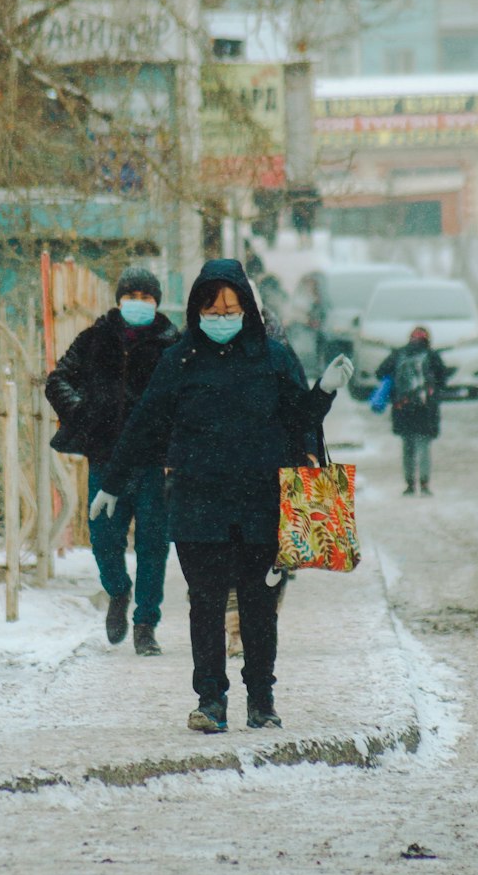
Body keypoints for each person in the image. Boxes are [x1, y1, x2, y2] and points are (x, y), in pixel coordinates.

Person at [89, 259, 353, 733]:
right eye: (212, 307)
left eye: (231, 307)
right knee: (205, 603)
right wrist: (113, 480)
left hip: (260, 503)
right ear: (197, 309)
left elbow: (299, 420)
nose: (222, 315)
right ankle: (210, 700)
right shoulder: (179, 361)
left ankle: (262, 699)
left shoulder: (274, 358)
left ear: (247, 309)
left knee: (257, 603)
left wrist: (324, 392)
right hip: (197, 502)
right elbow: (146, 423)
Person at [45, 266, 179, 655]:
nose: (138, 303)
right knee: (104, 537)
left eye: (146, 297)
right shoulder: (94, 339)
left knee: (154, 544)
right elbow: (58, 380)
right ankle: (118, 591)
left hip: (154, 461)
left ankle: (145, 624)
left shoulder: (173, 345)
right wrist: (83, 413)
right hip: (105, 457)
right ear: (119, 300)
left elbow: (187, 396)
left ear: (157, 302)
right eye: (131, 296)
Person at [376, 325, 448, 497]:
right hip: (426, 409)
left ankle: (409, 484)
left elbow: (380, 372)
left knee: (407, 447)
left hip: (403, 408)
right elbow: (443, 378)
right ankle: (424, 484)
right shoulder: (432, 356)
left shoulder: (399, 354)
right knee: (423, 446)